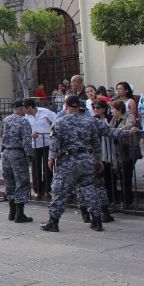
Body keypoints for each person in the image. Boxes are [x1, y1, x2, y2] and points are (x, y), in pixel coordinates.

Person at [42, 96, 104, 232]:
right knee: (89, 190)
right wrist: (98, 159)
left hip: (68, 161)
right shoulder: (89, 121)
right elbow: (96, 142)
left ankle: (53, 222)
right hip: (86, 159)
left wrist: (51, 159)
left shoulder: (60, 122)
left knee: (60, 191)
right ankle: (97, 221)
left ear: (66, 106)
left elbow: (54, 144)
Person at [1, 99, 34, 223]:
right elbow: (26, 141)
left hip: (5, 153)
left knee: (9, 182)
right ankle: (19, 214)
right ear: (21, 109)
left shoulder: (6, 119)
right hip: (17, 154)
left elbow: (1, 134)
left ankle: (12, 212)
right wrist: (29, 157)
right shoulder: (23, 121)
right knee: (22, 181)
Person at [24, 98, 56, 199]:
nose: (24, 110)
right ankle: (37, 190)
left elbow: (56, 121)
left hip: (47, 143)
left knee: (47, 167)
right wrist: (30, 134)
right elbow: (24, 131)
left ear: (30, 107)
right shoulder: (26, 117)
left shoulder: (45, 112)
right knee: (35, 168)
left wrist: (52, 132)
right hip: (35, 144)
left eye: (25, 108)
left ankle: (47, 189)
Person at [109, 99, 137, 208]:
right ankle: (123, 199)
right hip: (117, 150)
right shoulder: (114, 119)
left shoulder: (129, 116)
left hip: (127, 149)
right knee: (120, 176)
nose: (111, 111)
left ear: (119, 109)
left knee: (126, 176)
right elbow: (108, 128)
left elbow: (130, 126)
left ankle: (127, 200)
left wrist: (117, 131)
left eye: (113, 109)